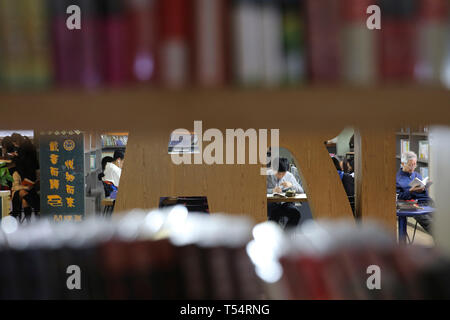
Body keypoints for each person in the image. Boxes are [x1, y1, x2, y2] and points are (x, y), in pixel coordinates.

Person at [396, 151, 433, 234]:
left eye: (414, 164)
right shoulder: (398, 179)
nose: (413, 167)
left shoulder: (416, 175)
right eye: (410, 165)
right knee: (433, 227)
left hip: (426, 201)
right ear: (403, 163)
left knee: (444, 222)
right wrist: (410, 191)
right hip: (414, 205)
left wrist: (424, 187)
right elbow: (399, 197)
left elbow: (425, 194)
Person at [267, 158, 303, 228]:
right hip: (271, 204)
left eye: (283, 174)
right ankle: (273, 236)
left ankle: (287, 235)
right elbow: (259, 191)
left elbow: (301, 191)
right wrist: (272, 190)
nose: (280, 176)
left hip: (286, 203)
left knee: (296, 214)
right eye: (278, 173)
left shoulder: (289, 175)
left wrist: (291, 185)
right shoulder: (267, 176)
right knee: (275, 214)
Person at [11, 140, 40, 223]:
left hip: (30, 192)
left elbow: (37, 183)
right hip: (17, 193)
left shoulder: (31, 171)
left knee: (25, 199)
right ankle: (38, 209)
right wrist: (25, 187)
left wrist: (35, 184)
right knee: (22, 191)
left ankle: (28, 222)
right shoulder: (17, 172)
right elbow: (15, 187)